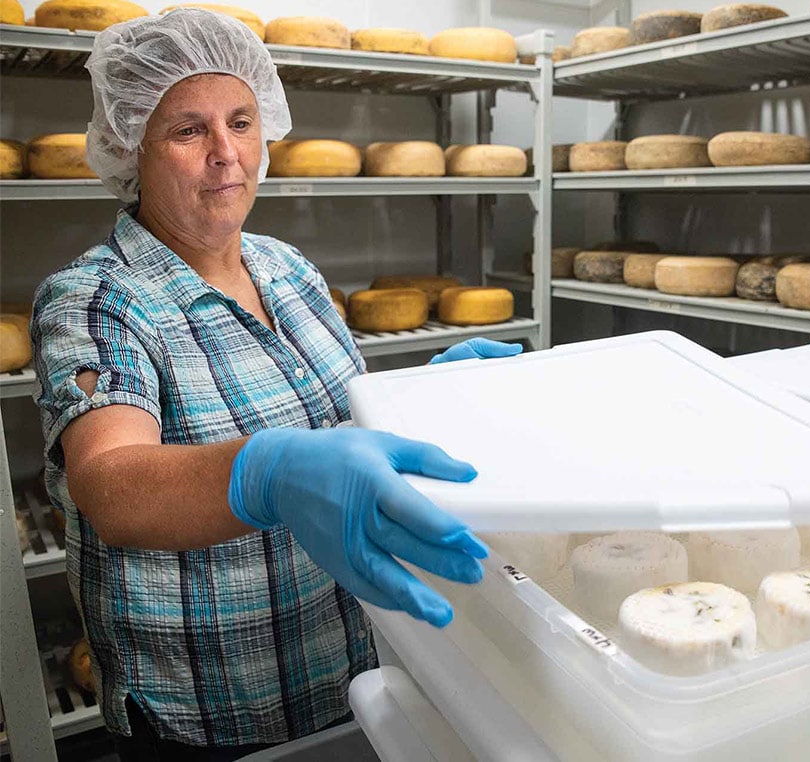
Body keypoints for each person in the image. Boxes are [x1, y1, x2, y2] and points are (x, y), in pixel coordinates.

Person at [30, 9, 521, 760]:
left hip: (356, 670)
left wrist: (422, 398)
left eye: (242, 121)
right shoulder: (97, 298)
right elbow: (111, 484)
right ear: (133, 148)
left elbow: (334, 416)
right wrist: (270, 471)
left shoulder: (287, 267)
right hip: (216, 716)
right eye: (188, 131)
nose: (228, 154)